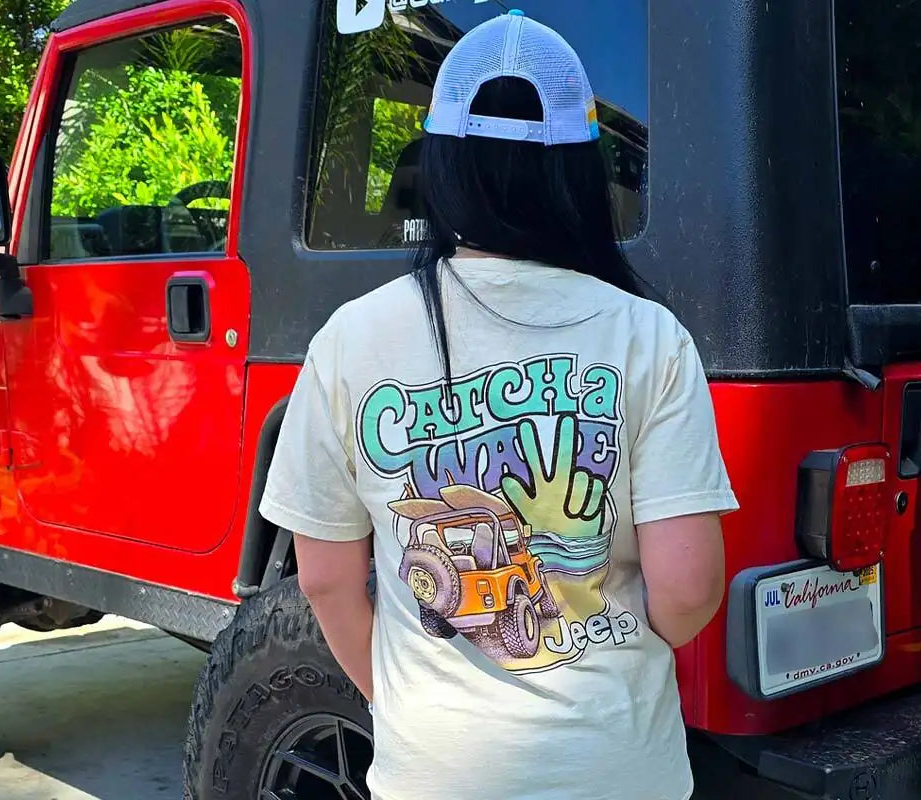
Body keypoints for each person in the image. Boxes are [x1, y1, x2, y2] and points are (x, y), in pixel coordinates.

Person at [260, 11, 735, 800]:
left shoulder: (351, 340)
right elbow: (686, 593)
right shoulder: (650, 337)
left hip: (433, 772)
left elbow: (325, 581)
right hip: (620, 768)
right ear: (581, 170)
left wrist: (403, 704)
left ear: (441, 163)